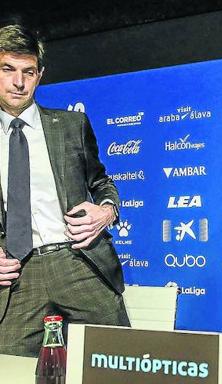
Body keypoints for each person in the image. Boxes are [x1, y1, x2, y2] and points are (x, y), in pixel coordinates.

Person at [0, 24, 129, 356]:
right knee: (9, 369)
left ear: (39, 75)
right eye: (8, 69)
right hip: (17, 275)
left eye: (28, 72)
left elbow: (102, 183)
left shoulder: (72, 126)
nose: (19, 82)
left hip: (76, 260)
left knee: (117, 361)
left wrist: (106, 211)